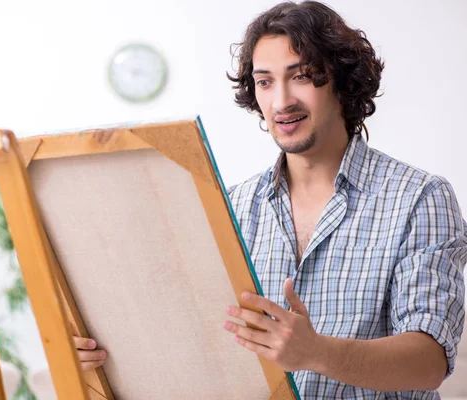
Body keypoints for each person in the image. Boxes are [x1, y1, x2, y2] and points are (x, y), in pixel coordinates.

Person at [73, 1, 467, 398]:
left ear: (343, 83)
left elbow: (429, 361)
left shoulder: (420, 198)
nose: (281, 102)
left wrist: (316, 353)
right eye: (264, 82)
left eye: (302, 77)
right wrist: (108, 354)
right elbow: (204, 348)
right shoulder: (233, 206)